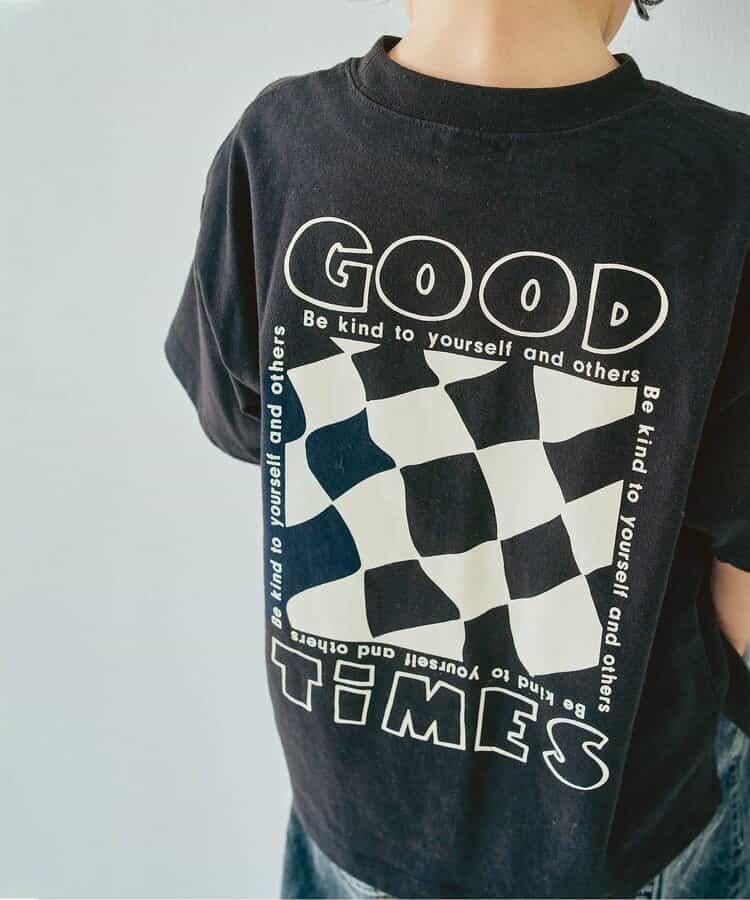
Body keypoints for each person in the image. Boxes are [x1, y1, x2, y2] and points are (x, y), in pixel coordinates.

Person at [163, 0, 750, 896]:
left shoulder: (279, 146)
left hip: (356, 817)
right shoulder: (723, 186)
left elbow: (252, 427)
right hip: (623, 833)